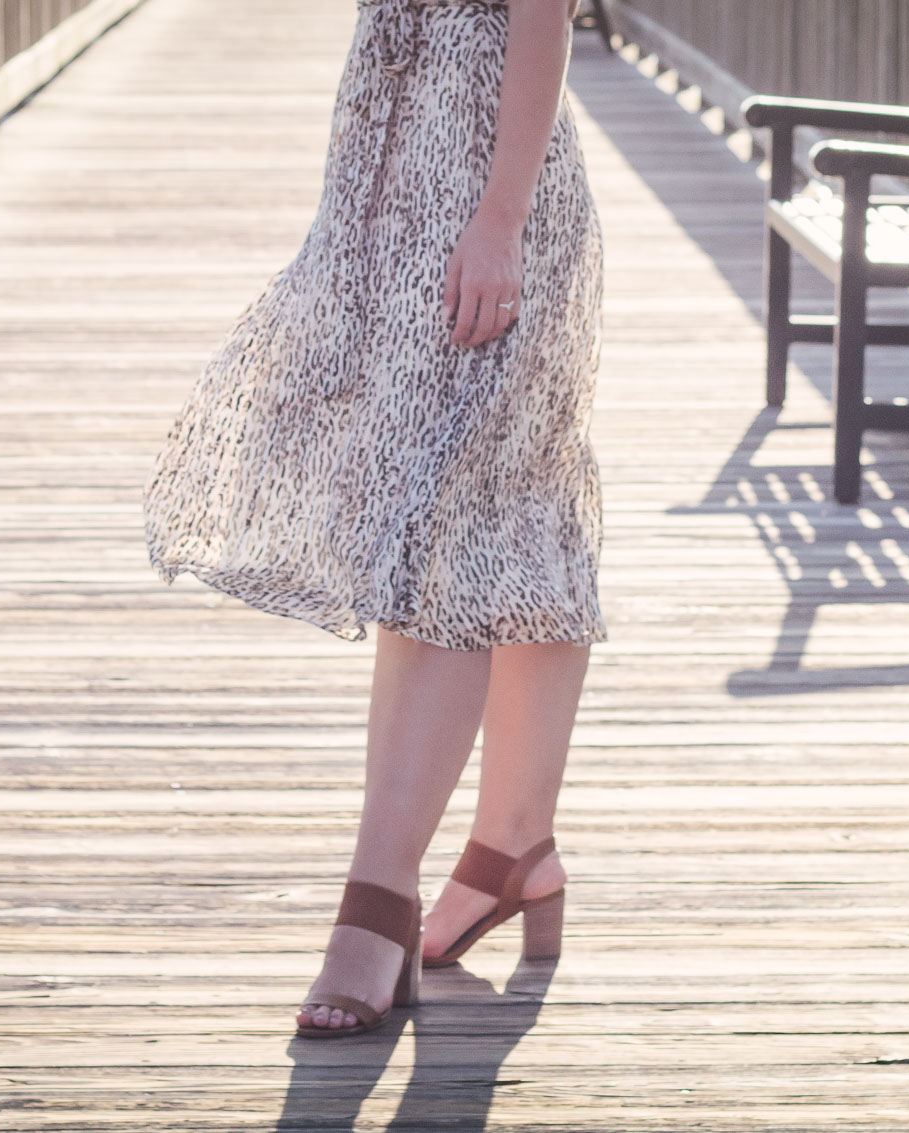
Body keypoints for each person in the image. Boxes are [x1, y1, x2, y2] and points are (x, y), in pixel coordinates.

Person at [143, 0, 603, 1038]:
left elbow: (540, 15)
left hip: (483, 213)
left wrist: (498, 220)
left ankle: (376, 899)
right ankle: (514, 846)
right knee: (504, 517)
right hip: (388, 209)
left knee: (436, 539)